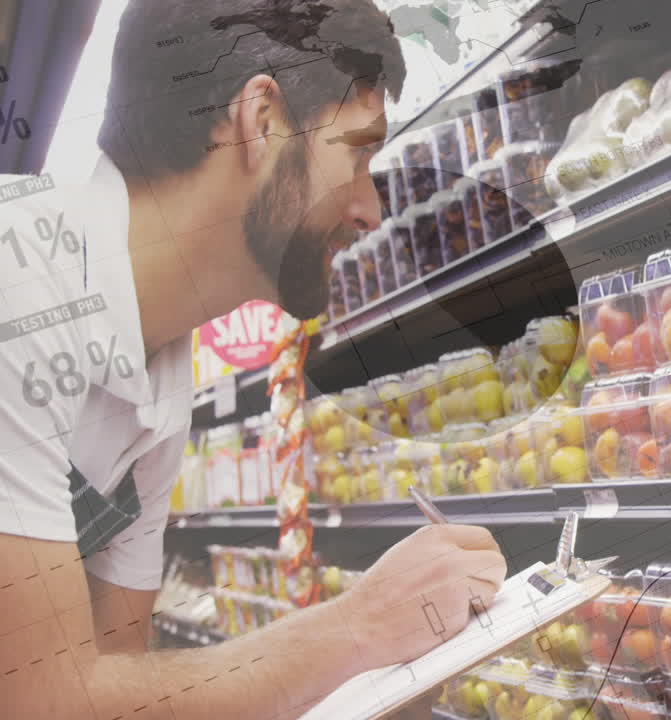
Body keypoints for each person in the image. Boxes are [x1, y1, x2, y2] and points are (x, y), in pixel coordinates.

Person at [0, 1, 506, 718]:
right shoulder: (16, 283)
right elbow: (38, 703)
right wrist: (360, 627)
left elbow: (115, 677)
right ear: (261, 120)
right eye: (358, 152)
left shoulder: (163, 365)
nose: (370, 209)